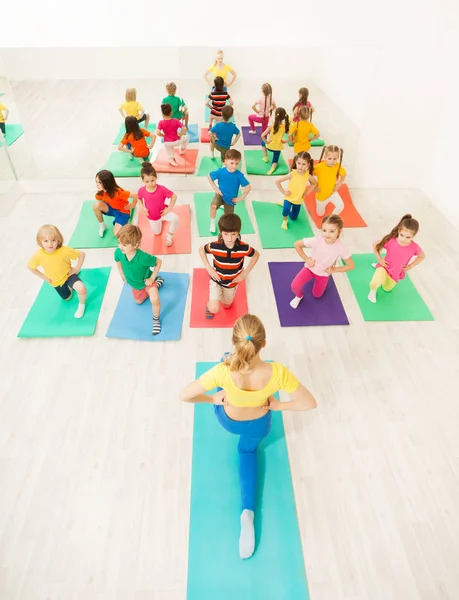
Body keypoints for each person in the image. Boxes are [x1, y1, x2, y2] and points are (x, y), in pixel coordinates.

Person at [180, 313, 317, 559]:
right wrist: (278, 406)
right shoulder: (278, 372)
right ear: (264, 344)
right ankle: (248, 513)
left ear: (236, 343)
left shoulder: (221, 372)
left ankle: (230, 360)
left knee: (224, 363)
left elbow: (185, 395)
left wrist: (212, 398)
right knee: (247, 451)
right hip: (258, 424)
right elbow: (308, 403)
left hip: (229, 421)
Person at [199, 214, 259, 318]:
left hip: (232, 283)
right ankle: (210, 306)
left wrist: (246, 272)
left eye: (233, 234)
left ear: (238, 232)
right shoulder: (214, 246)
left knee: (227, 306)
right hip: (216, 279)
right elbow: (201, 250)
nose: (230, 238)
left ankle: (220, 299)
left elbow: (256, 255)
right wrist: (209, 268)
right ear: (221, 232)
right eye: (226, 234)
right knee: (214, 308)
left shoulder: (244, 248)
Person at [290, 215, 354, 307]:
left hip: (323, 274)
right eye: (324, 230)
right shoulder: (317, 240)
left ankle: (319, 282)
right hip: (310, 269)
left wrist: (334, 270)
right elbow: (296, 244)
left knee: (317, 295)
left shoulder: (341, 248)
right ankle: (299, 296)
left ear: (339, 232)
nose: (327, 234)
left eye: (332, 231)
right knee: (294, 286)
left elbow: (351, 266)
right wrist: (306, 259)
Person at [27, 224, 87, 319]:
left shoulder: (64, 250)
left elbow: (81, 254)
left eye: (53, 240)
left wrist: (77, 268)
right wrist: (44, 277)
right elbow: (30, 267)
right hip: (56, 282)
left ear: (58, 240)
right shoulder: (38, 255)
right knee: (67, 298)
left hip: (68, 275)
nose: (50, 244)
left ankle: (82, 306)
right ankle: (69, 288)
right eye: (46, 241)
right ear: (40, 242)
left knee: (82, 289)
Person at [114, 224, 164, 335]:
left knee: (155, 299)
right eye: (119, 243)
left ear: (135, 244)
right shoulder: (119, 252)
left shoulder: (143, 257)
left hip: (147, 281)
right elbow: (117, 260)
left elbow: (158, 262)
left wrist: (151, 278)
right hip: (135, 284)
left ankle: (156, 319)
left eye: (125, 245)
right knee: (138, 301)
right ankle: (157, 283)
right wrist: (122, 274)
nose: (121, 247)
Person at [368, 214, 425, 303]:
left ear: (414, 236)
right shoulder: (391, 241)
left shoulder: (414, 247)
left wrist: (411, 265)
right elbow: (375, 245)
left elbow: (422, 256)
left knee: (386, 288)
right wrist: (379, 259)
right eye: (401, 235)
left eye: (408, 237)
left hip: (395, 273)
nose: (403, 239)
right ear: (399, 231)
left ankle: (383, 275)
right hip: (384, 267)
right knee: (374, 283)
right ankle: (372, 292)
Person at [207, 149, 251, 233]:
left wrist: (241, 197)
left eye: (237, 163)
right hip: (220, 195)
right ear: (225, 161)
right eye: (232, 163)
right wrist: (215, 188)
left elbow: (248, 187)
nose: (234, 166)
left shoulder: (239, 175)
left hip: (230, 200)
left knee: (227, 218)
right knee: (213, 206)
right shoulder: (220, 171)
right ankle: (212, 223)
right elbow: (209, 176)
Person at [137, 162, 178, 247]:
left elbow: (174, 196)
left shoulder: (162, 189)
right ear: (143, 181)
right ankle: (160, 222)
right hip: (152, 217)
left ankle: (169, 236)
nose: (150, 183)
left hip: (163, 213)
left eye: (152, 180)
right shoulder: (141, 190)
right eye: (147, 181)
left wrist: (169, 209)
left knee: (175, 219)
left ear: (156, 177)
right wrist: (143, 208)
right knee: (157, 233)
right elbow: (139, 198)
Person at [275, 152, 317, 230]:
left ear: (308, 165)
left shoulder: (308, 175)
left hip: (298, 199)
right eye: (299, 163)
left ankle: (285, 206)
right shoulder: (292, 174)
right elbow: (277, 181)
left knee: (294, 218)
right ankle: (285, 220)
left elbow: (314, 184)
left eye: (303, 164)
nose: (300, 166)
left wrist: (306, 193)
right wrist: (283, 192)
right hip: (289, 197)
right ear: (296, 162)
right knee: (286, 210)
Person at [93, 170, 137, 237]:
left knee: (116, 234)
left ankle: (124, 222)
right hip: (112, 209)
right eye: (96, 182)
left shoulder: (118, 193)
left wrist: (132, 205)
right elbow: (101, 201)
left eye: (100, 182)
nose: (97, 185)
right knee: (96, 205)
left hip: (123, 212)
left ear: (107, 183)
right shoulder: (100, 193)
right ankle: (102, 226)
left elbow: (135, 195)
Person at [306, 145, 346, 216]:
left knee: (341, 205)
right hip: (321, 196)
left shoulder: (337, 166)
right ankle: (322, 208)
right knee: (320, 214)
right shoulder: (319, 167)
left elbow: (344, 175)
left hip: (332, 193)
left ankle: (332, 217)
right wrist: (314, 186)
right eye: (330, 158)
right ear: (325, 157)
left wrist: (338, 185)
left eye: (335, 159)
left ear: (338, 158)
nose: (332, 161)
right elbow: (308, 175)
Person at [260, 107, 289, 176]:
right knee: (275, 161)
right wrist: (285, 141)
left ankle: (266, 157)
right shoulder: (285, 127)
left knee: (262, 143)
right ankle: (272, 168)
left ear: (275, 115)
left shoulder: (271, 126)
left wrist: (267, 142)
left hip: (269, 146)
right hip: (277, 148)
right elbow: (291, 137)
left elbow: (262, 136)